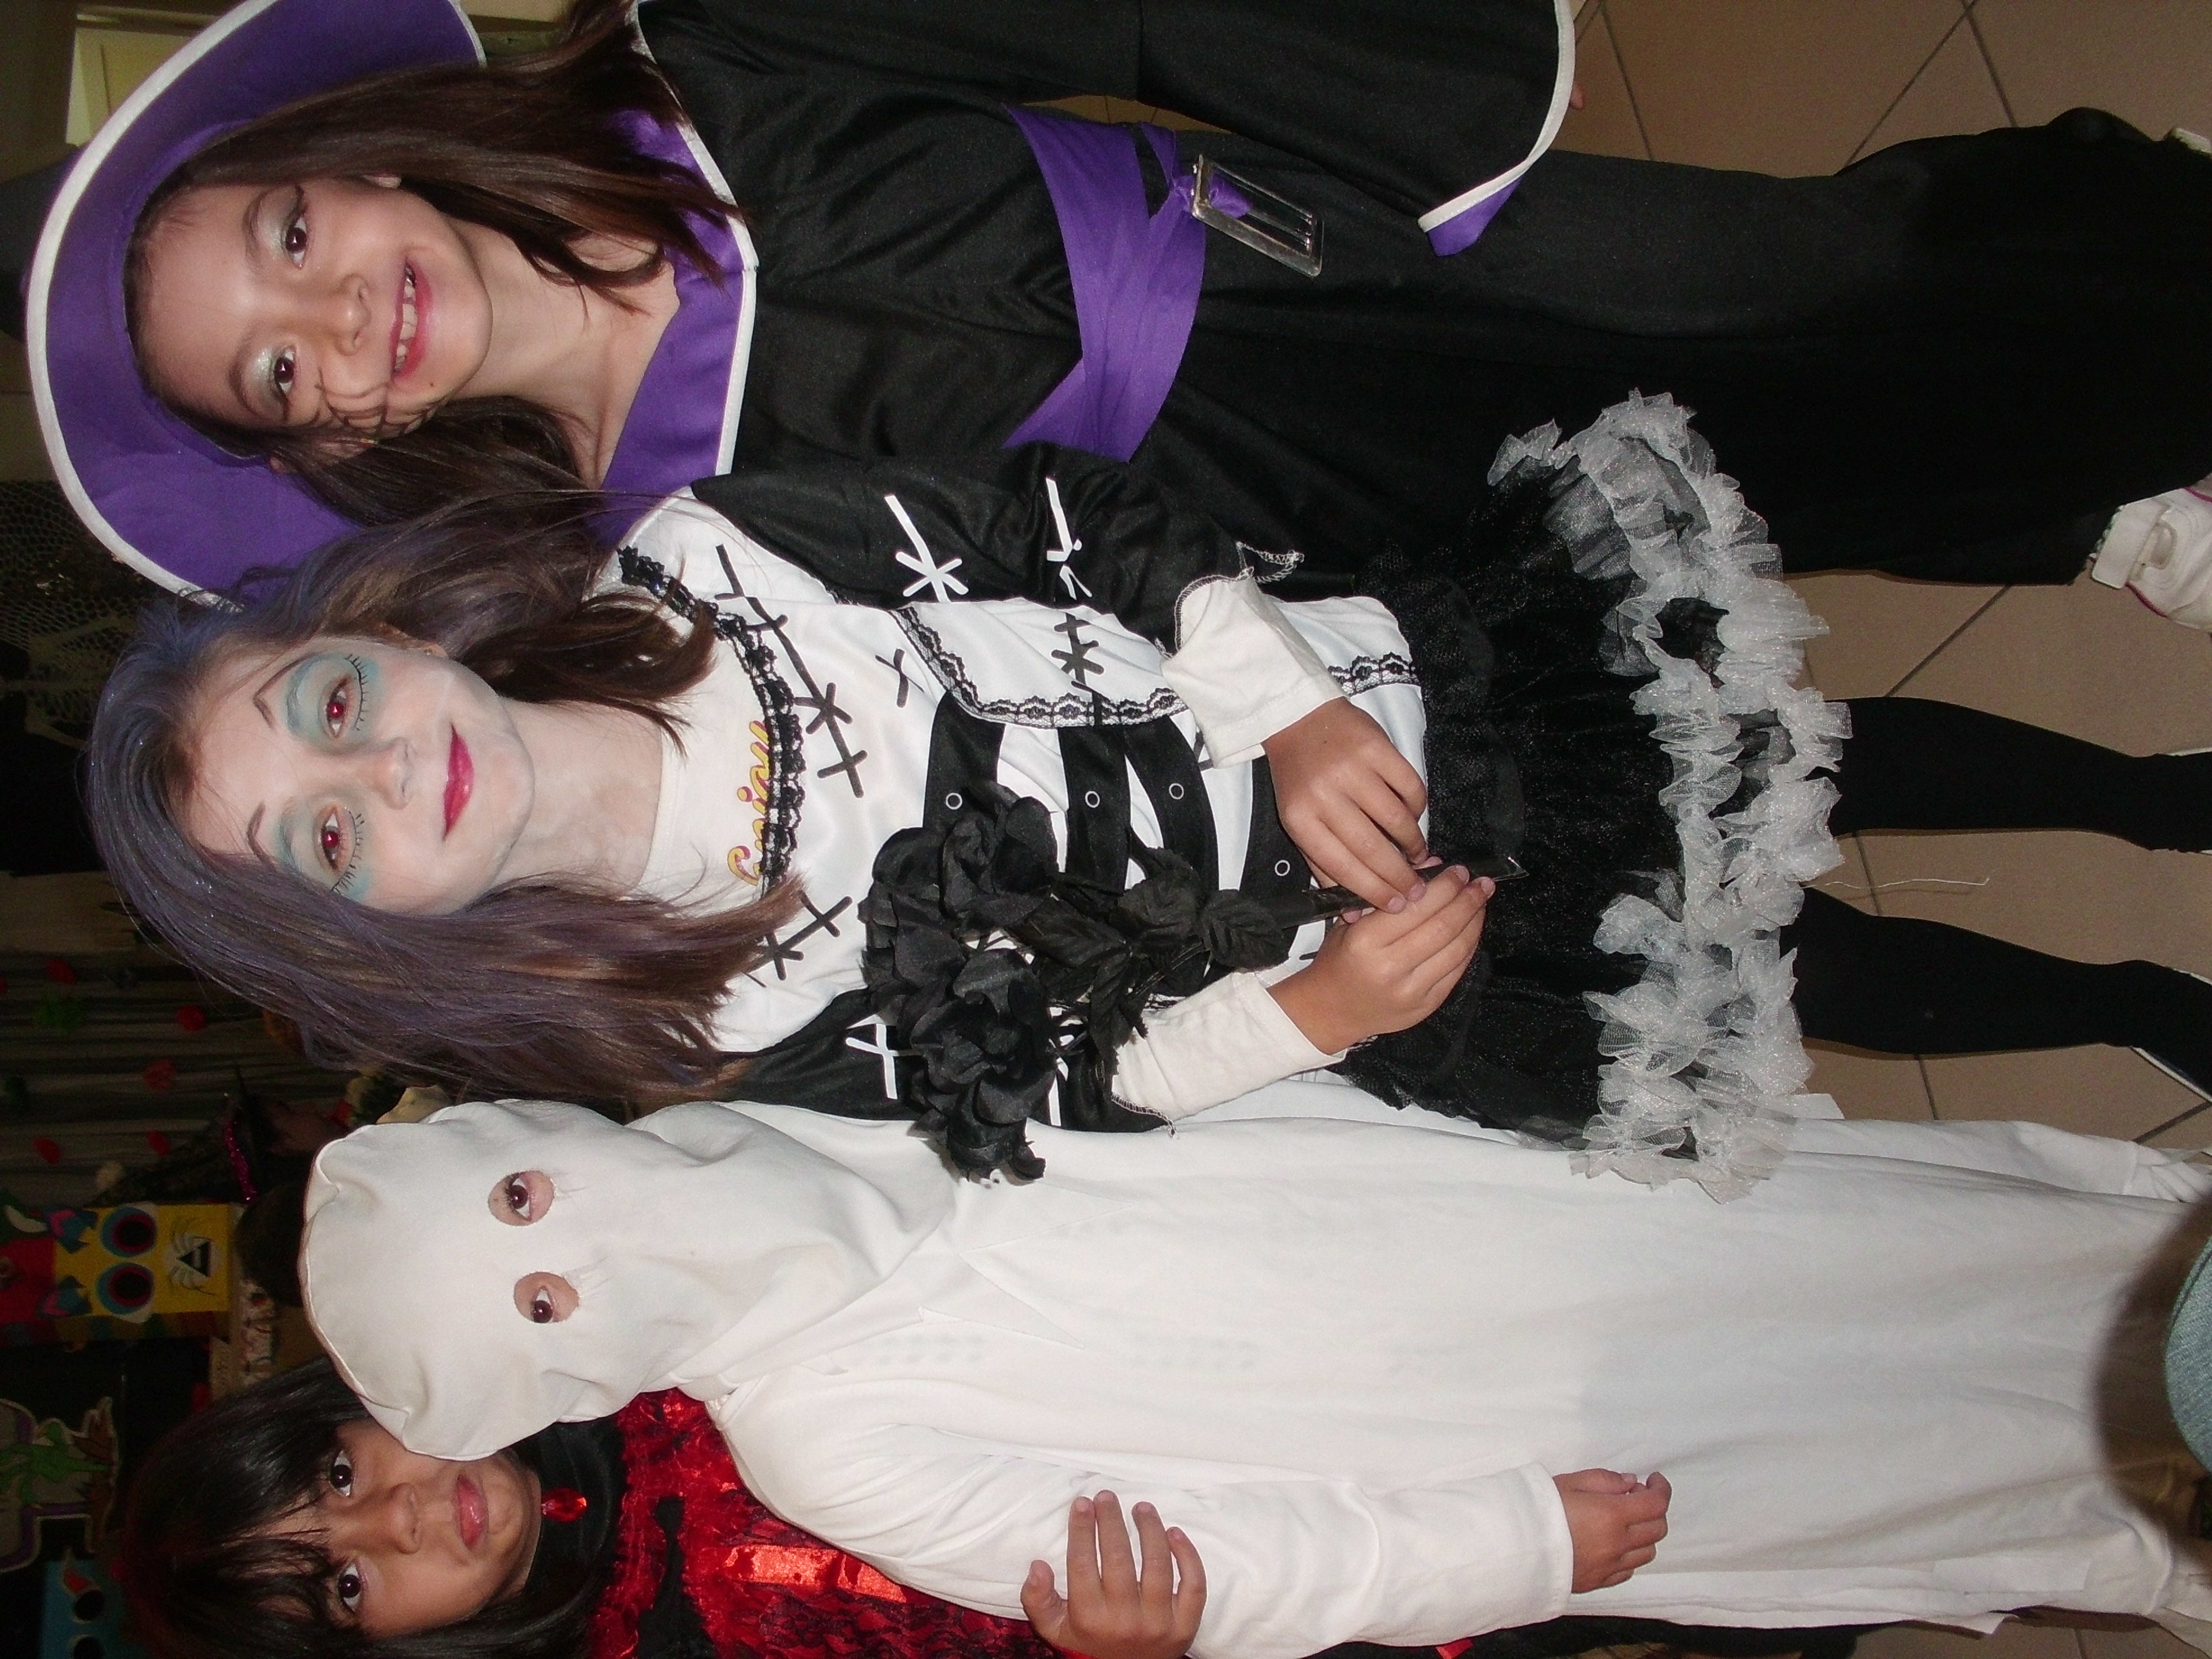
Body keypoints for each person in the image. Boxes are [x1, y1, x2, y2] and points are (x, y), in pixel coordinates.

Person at [82, 401, 2212, 1195]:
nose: (386, 764)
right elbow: (1057, 1084)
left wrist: (1284, 708)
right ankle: (2140, 1009)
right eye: (329, 836)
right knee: (1799, 969)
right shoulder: (700, 1022)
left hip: (1373, 699)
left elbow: (1053, 516)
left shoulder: (710, 561)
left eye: (330, 702)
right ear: (367, 932)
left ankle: (2165, 798)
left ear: (377, 626)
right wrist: (1321, 1016)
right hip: (1355, 949)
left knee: (1802, 755)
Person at [19, 0, 2212, 611]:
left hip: (1310, 241)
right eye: (275, 368)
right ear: (324, 437)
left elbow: (1103, 13)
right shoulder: (651, 538)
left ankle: (2100, 206)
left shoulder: (693, 59)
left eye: (288, 236)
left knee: (1789, 279)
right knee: (1728, 503)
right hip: (1270, 500)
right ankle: (2085, 512)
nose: (342, 317)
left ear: (350, 157)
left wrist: (1395, 128)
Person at [292, 1084, 2212, 1656]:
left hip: (1514, 1208)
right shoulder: (824, 1449)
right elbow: (1210, 1572)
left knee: (1903, 1250)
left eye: (531, 1199)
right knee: (1902, 1444)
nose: (594, 1257)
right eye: (542, 1310)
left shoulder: (822, 1091)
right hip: (1503, 1423)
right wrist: (1508, 1547)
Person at [116, 1354, 1733, 1659]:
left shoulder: (614, 1334)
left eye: (341, 1477)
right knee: (1717, 1567)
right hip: (1298, 1599)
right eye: (344, 1584)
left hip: (1285, 1371)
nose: (401, 1522)